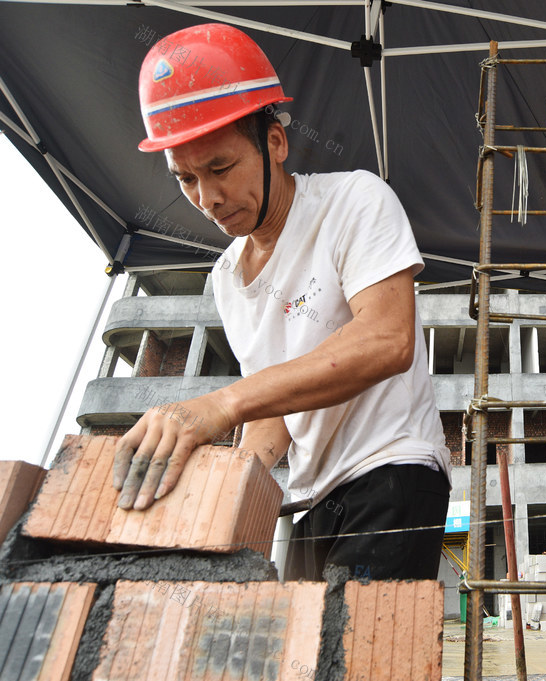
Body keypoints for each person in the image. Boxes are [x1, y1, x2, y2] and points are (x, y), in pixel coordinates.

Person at [115, 23, 451, 581]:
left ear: (274, 142)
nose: (209, 199)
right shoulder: (225, 277)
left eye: (220, 168)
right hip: (309, 497)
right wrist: (228, 490)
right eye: (186, 179)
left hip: (391, 469)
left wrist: (221, 405)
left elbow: (388, 339)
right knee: (295, 655)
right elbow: (274, 415)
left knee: (355, 658)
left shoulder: (354, 200)